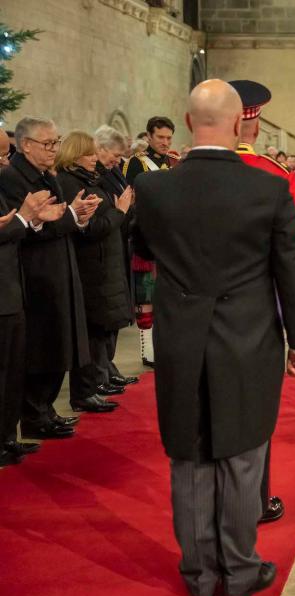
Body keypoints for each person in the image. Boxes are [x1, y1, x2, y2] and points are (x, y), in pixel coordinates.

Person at [131, 79, 295, 596]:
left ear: (188, 123)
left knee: (189, 455)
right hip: (248, 340)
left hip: (181, 339)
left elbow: (144, 248)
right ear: (241, 124)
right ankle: (238, 570)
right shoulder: (270, 188)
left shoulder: (154, 188)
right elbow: (289, 272)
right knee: (241, 455)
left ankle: (199, 574)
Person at [228, 79, 295, 525]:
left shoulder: (173, 177)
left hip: (193, 318)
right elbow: (289, 258)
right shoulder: (275, 177)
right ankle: (255, 502)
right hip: (255, 317)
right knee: (254, 412)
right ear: (252, 125)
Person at [0, 117, 101, 440]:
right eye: (48, 144)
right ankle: (33, 414)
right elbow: (26, 229)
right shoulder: (14, 178)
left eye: (57, 143)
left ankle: (43, 410)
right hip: (35, 273)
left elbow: (51, 220)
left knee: (58, 343)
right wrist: (68, 216)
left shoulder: (45, 174)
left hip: (57, 267)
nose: (54, 150)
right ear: (26, 145)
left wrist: (76, 216)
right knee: (40, 349)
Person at [56, 131, 135, 413]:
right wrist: (120, 211)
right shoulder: (69, 183)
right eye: (90, 154)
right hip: (91, 266)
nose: (95, 159)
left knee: (100, 331)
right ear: (76, 155)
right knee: (91, 333)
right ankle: (85, 391)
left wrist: (117, 213)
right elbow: (90, 228)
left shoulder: (89, 180)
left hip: (104, 265)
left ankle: (95, 383)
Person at [0, 177, 66, 466]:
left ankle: (7, 439)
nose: (4, 160)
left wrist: (33, 221)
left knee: (13, 375)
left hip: (11, 292)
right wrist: (24, 219)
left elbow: (9, 230)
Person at [91, 126, 140, 390]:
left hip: (117, 245)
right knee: (105, 315)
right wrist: (121, 209)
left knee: (115, 312)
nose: (118, 160)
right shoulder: (95, 177)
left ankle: (107, 365)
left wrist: (127, 208)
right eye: (114, 154)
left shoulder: (111, 173)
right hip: (102, 251)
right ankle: (100, 371)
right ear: (99, 148)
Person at [125, 115, 175, 369]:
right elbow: (131, 201)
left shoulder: (174, 162)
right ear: (149, 137)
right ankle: (148, 350)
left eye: (168, 138)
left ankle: (166, 347)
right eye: (160, 137)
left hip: (173, 240)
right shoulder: (136, 164)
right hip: (147, 236)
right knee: (147, 296)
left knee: (169, 296)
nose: (165, 142)